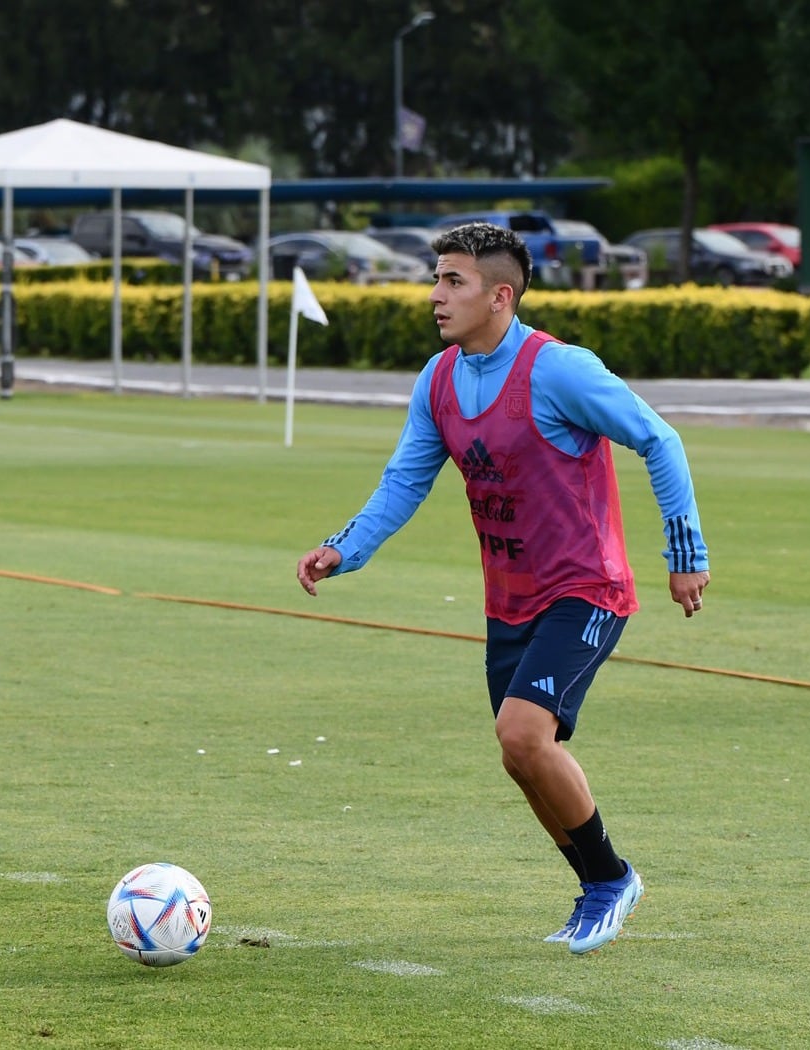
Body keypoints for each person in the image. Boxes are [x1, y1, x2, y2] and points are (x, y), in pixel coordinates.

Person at [296, 221, 710, 954]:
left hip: (586, 587)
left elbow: (660, 439)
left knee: (521, 733)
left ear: (500, 294)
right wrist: (343, 548)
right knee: (521, 757)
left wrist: (685, 549)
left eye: (452, 281)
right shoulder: (439, 378)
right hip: (509, 598)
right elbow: (405, 481)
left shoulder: (560, 370)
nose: (435, 295)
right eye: (435, 278)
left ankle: (613, 881)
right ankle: (596, 887)